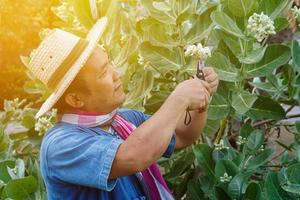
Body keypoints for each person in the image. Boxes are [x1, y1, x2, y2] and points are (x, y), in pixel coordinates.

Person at [27, 17, 219, 200]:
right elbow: (132, 156)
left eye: (109, 63)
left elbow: (182, 135)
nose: (116, 74)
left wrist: (201, 98)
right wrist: (179, 98)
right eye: (103, 72)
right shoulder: (60, 145)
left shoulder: (124, 120)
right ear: (76, 99)